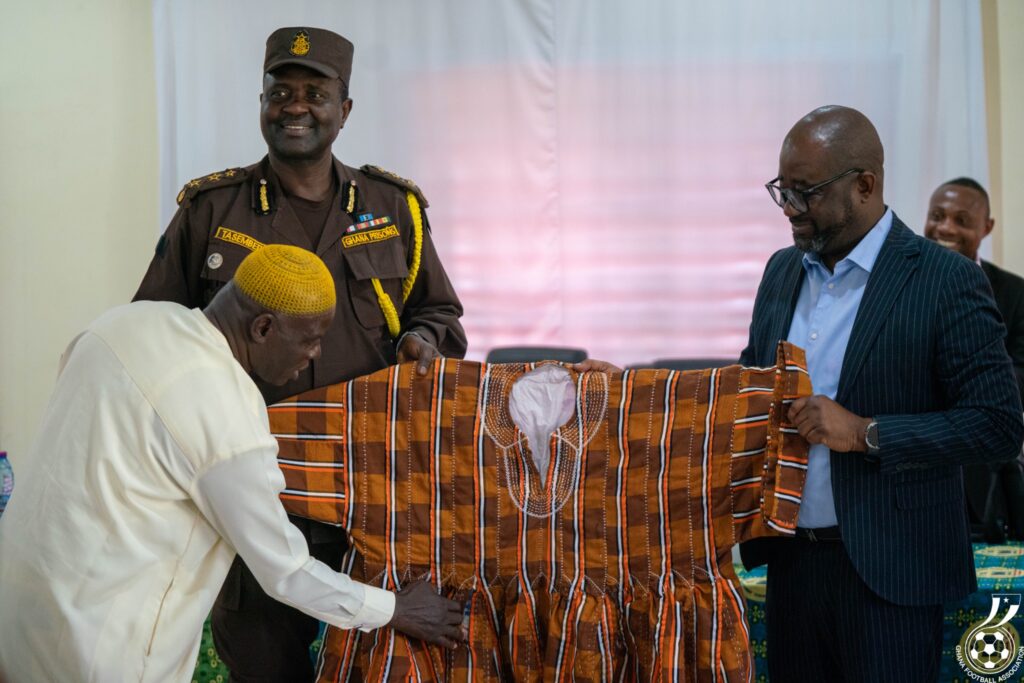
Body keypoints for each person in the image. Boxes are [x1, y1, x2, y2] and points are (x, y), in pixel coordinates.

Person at [133, 26, 467, 679]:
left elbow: (441, 313)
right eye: (279, 91)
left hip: (371, 485)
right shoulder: (211, 209)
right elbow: (153, 333)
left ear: (345, 109)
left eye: (315, 94)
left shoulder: (393, 208)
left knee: (380, 659)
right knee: (263, 662)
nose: (295, 106)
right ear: (261, 103)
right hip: (254, 485)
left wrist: (422, 340)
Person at [0, 245, 465, 683]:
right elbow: (286, 572)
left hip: (20, 611)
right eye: (311, 340)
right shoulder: (227, 414)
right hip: (101, 651)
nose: (315, 356)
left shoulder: (121, 323)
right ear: (262, 328)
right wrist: (396, 609)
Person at [740, 105, 1023, 681]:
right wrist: (630, 390)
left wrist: (864, 433)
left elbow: (997, 425)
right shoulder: (781, 271)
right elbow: (750, 385)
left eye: (806, 193)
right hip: (791, 566)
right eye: (782, 190)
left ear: (865, 185)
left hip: (892, 573)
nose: (789, 208)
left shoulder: (945, 279)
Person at [924, 177, 1024, 542]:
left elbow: (1017, 379)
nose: (946, 228)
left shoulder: (1014, 293)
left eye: (962, 220)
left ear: (987, 227)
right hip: (910, 471)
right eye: (937, 216)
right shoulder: (898, 283)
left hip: (986, 480)